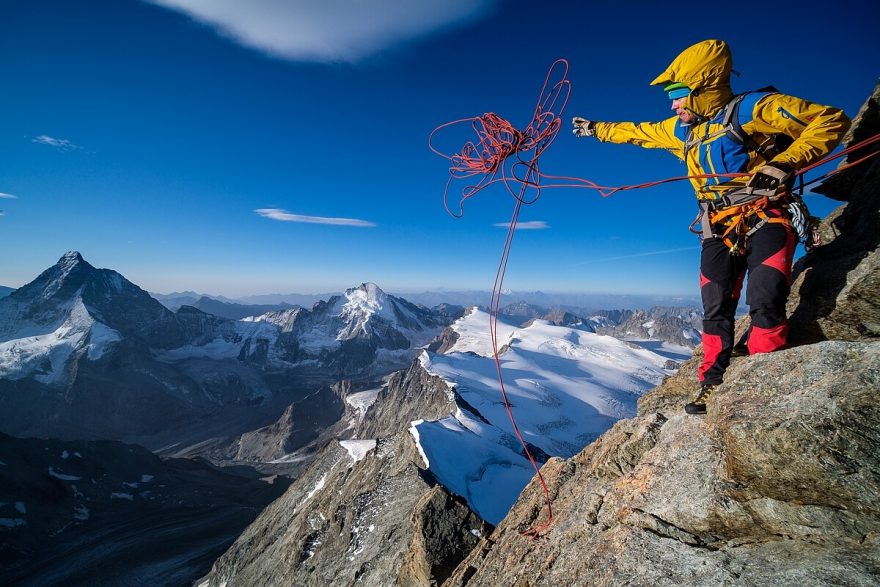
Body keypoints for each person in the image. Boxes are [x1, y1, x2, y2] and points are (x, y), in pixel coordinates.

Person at [572, 39, 850, 414]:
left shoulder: (754, 108)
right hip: (716, 227)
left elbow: (830, 119)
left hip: (766, 215)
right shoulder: (682, 131)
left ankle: (765, 379)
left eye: (678, 93)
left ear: (704, 87)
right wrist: (595, 129)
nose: (672, 104)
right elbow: (638, 131)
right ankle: (711, 383)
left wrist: (782, 164)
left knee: (766, 297)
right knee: (716, 307)